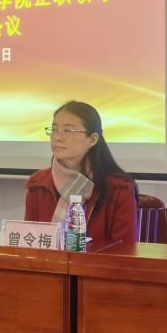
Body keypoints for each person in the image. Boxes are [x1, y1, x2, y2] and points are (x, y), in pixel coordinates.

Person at [25, 101, 138, 246]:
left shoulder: (119, 189)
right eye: (54, 129)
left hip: (97, 261)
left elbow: (125, 250)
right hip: (47, 261)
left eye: (68, 130)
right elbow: (28, 243)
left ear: (92, 139)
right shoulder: (38, 184)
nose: (57, 137)